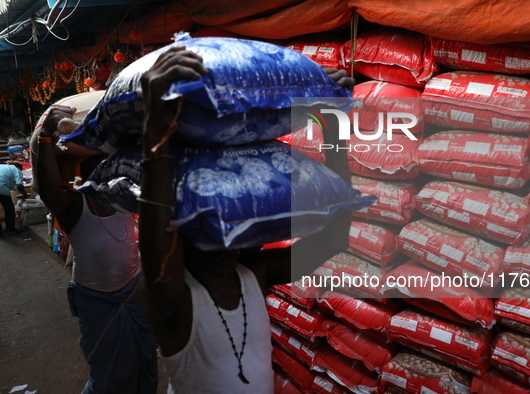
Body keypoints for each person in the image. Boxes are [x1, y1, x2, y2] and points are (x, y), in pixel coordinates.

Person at [137, 46, 355, 393]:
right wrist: (156, 132)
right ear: (182, 232)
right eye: (215, 227)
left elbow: (335, 239)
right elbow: (157, 244)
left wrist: (334, 131)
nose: (231, 241)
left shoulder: (255, 275)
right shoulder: (176, 300)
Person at [34, 107, 158, 393]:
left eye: (108, 162)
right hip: (96, 300)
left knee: (145, 361)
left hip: (134, 292)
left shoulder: (124, 195)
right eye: (96, 165)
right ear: (80, 171)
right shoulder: (73, 204)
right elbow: (50, 192)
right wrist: (45, 136)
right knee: (108, 374)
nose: (105, 170)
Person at [0, 161, 28, 236]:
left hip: (2, 187)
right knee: (9, 209)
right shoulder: (17, 170)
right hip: (1, 188)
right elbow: (19, 185)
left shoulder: (3, 166)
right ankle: (10, 230)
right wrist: (25, 195)